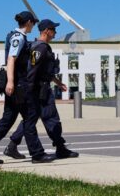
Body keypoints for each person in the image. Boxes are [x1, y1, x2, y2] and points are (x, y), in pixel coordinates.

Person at [0, 11, 55, 164]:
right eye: (33, 22)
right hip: (19, 85)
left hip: (16, 84)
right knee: (30, 117)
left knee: (7, 120)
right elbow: (11, 59)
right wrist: (11, 82)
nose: (33, 25)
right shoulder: (18, 37)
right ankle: (37, 154)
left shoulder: (16, 36)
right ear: (28, 23)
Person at [13, 19, 79, 160]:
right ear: (46, 31)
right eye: (53, 30)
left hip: (40, 88)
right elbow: (33, 69)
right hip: (39, 90)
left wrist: (58, 82)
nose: (55, 32)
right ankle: (60, 149)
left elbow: (45, 71)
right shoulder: (40, 48)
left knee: (31, 118)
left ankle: (12, 145)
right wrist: (29, 90)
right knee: (51, 118)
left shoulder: (40, 46)